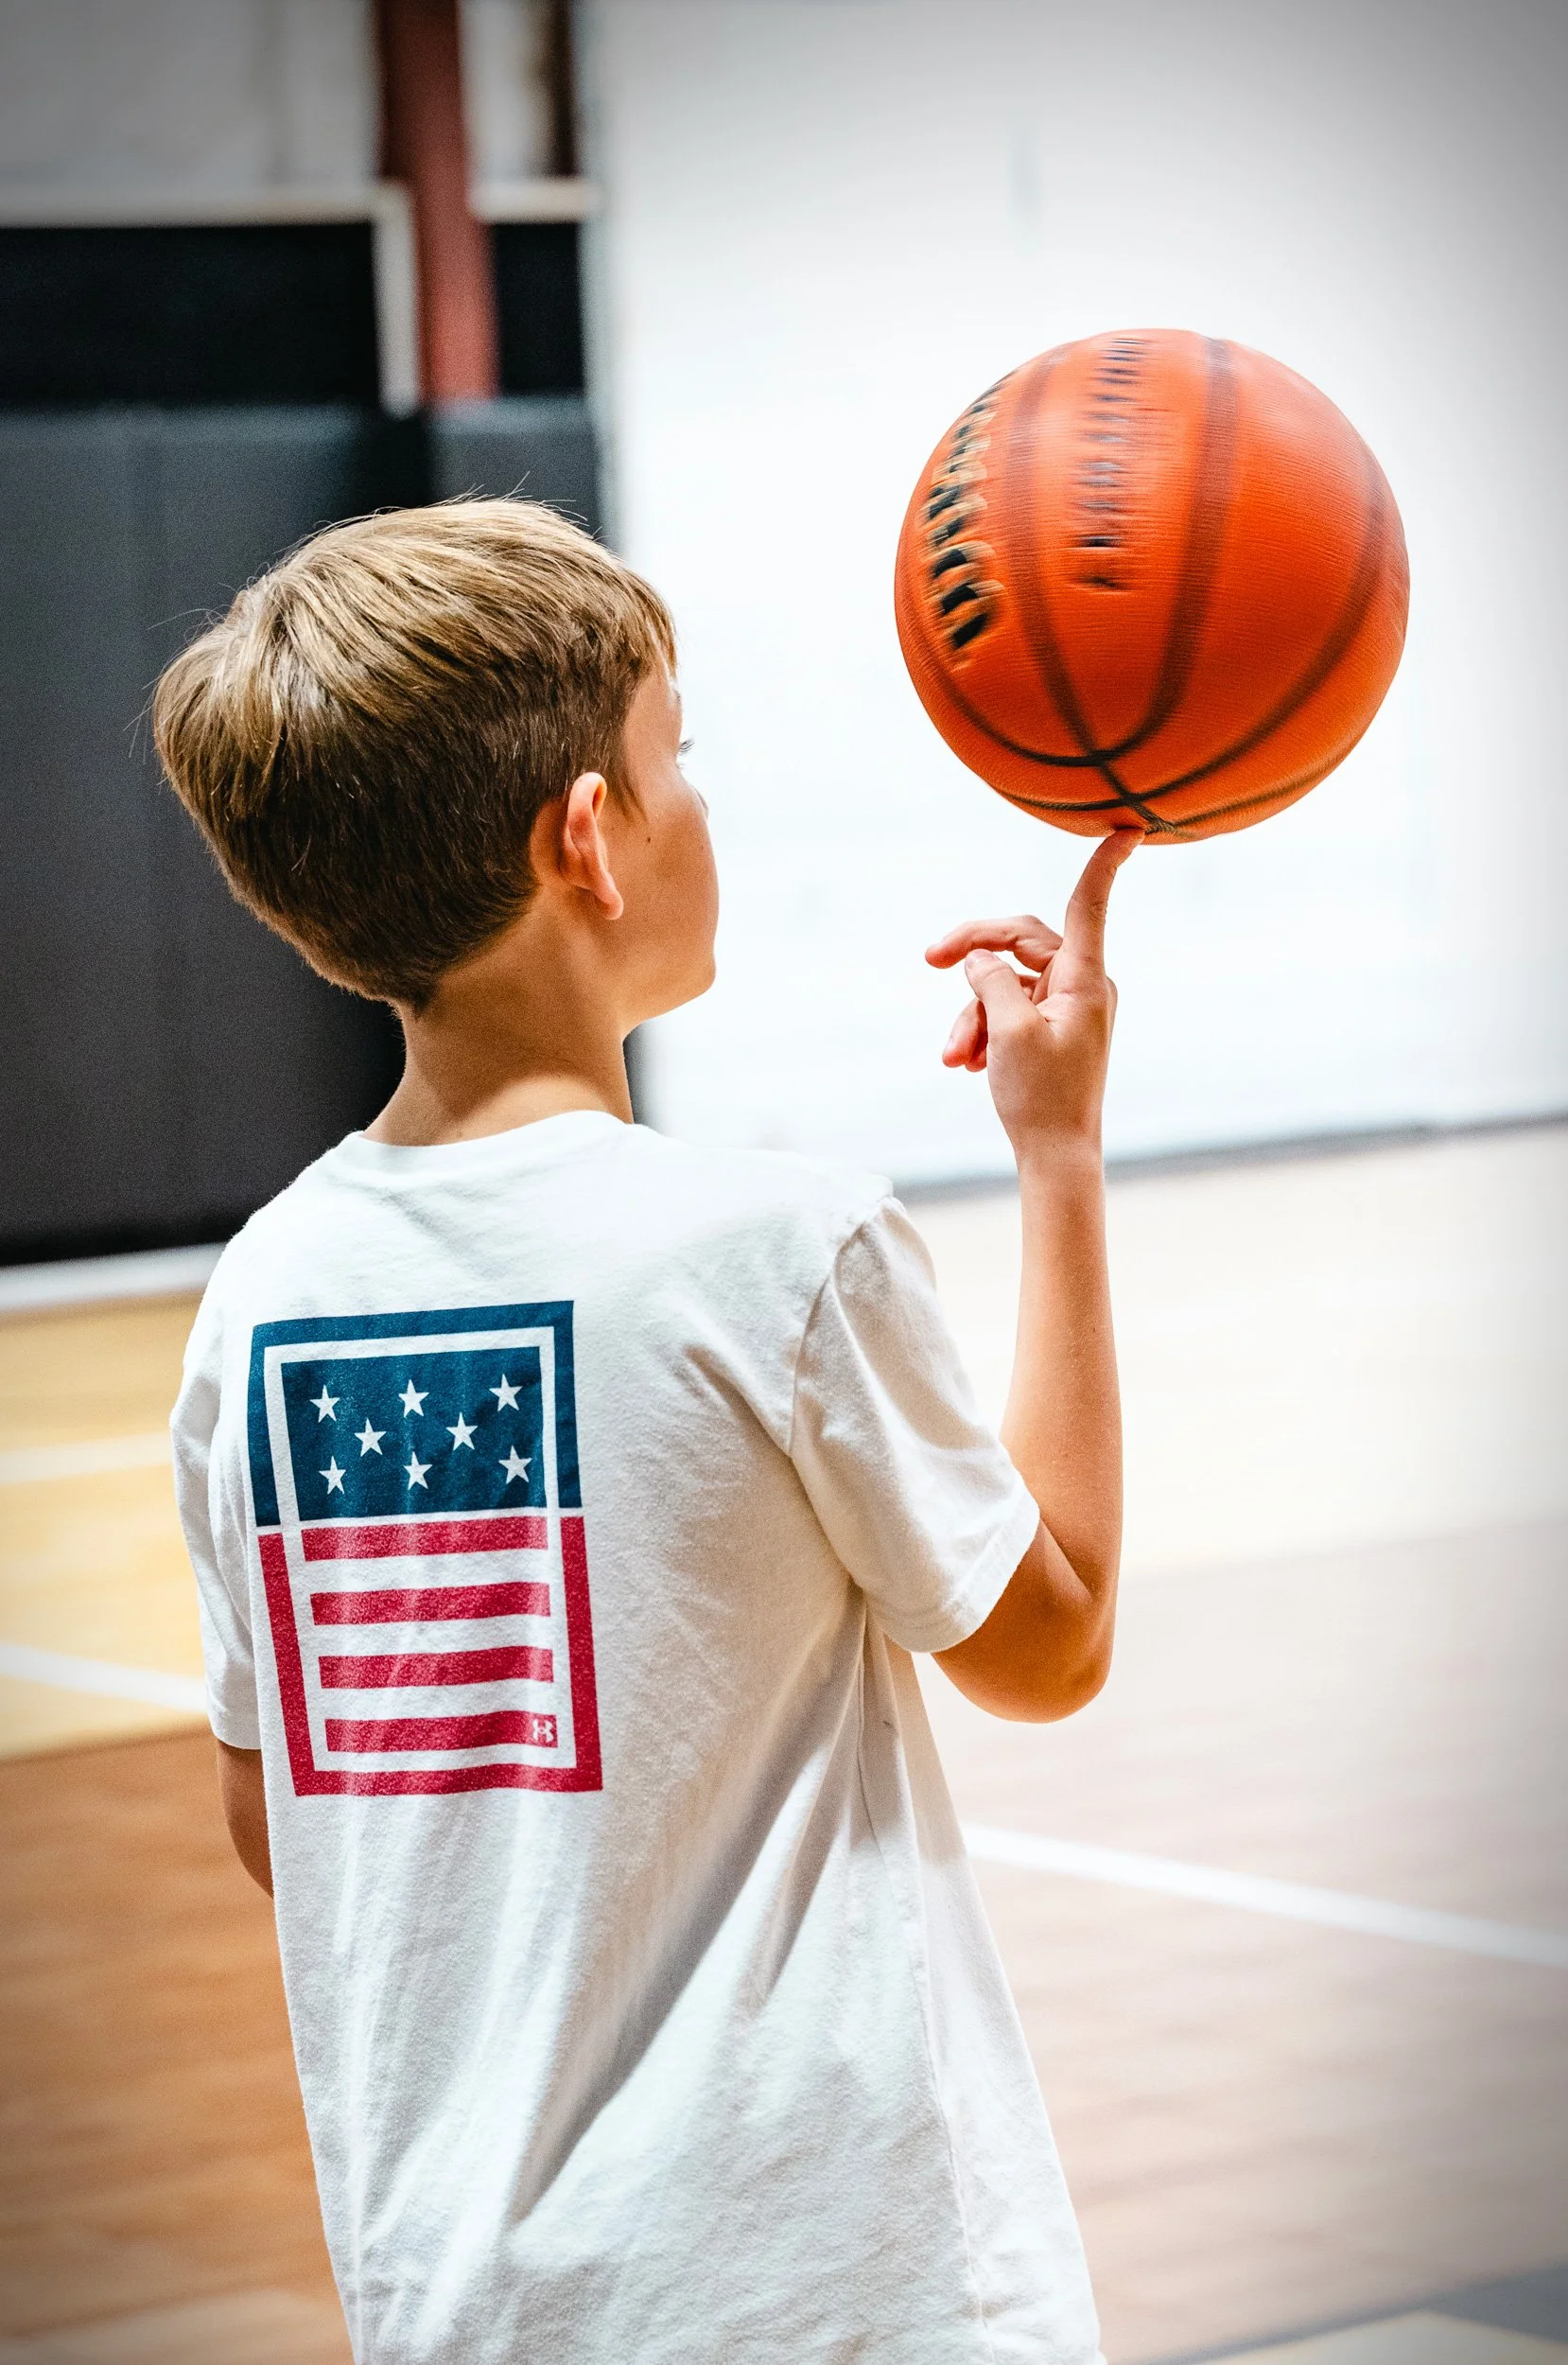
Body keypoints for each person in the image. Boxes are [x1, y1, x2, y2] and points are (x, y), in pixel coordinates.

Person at [157, 499, 1137, 2365]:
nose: (697, 800)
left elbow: (276, 1816)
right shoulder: (772, 1251)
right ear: (584, 837)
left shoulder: (258, 1303)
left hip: (467, 2303)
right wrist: (1061, 1148)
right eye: (674, 752)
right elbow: (1051, 1631)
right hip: (843, 2301)